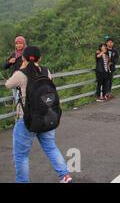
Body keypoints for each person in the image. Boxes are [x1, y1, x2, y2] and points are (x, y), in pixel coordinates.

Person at [5, 46, 72, 183]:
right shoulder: (46, 71)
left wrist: (20, 67)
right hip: (46, 116)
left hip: (26, 120)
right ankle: (65, 175)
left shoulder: (20, 74)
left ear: (23, 58)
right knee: (51, 147)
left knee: (21, 156)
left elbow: (8, 84)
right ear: (39, 58)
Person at [3, 36, 27, 102]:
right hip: (15, 80)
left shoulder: (27, 53)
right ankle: (19, 112)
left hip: (24, 80)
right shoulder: (14, 54)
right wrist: (9, 62)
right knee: (17, 101)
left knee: (23, 100)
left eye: (20, 43)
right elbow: (4, 66)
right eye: (17, 43)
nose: (18, 45)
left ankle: (23, 112)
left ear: (24, 43)